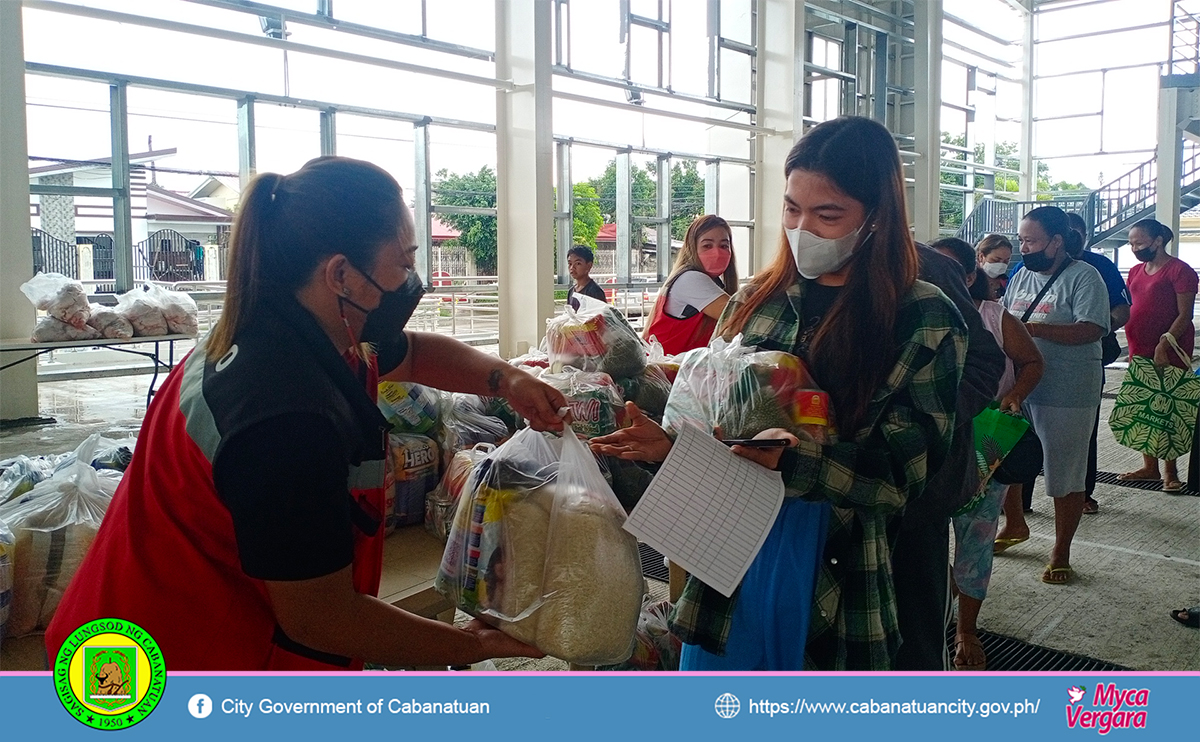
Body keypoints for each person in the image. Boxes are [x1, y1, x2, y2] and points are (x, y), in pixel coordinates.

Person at [45, 157, 570, 671]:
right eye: (405, 262)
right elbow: (321, 618)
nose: (414, 279)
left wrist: (509, 379)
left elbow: (411, 352)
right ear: (340, 273)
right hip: (174, 661)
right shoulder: (284, 417)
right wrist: (467, 648)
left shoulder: (298, 333)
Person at [592, 116, 967, 670]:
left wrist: (794, 460)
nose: (802, 229)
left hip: (839, 559)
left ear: (878, 216)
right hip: (728, 548)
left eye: (827, 214)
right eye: (792, 209)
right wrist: (670, 445)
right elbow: (716, 420)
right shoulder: (754, 301)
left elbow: (902, 474)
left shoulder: (922, 318)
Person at [931, 237, 1044, 670]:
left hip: (985, 445)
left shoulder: (996, 318)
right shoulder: (905, 315)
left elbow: (1033, 362)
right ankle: (930, 617)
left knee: (975, 540)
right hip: (927, 448)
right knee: (922, 541)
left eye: (950, 270)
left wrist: (1014, 395)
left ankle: (966, 629)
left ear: (971, 276)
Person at [996, 206, 1109, 585]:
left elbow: (1092, 329)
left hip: (1066, 389)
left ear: (1057, 242)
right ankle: (1015, 524)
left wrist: (1033, 329)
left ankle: (1061, 550)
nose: (1023, 247)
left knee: (1064, 471)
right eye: (1022, 239)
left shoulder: (1084, 276)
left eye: (1031, 240)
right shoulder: (1020, 276)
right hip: (1020, 384)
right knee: (1003, 456)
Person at [1116, 218, 1198, 493]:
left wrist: (1166, 342)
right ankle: (1149, 467)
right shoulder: (1137, 271)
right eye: (1131, 243)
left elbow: (1184, 314)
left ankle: (1170, 471)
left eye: (1139, 243)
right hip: (1139, 347)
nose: (1134, 248)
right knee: (1143, 408)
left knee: (1168, 409)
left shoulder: (1180, 271)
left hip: (1168, 350)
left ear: (1158, 241)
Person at [642, 215, 738, 355]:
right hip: (667, 373)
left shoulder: (713, 283)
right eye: (707, 246)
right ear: (692, 248)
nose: (717, 252)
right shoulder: (690, 279)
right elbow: (740, 316)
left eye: (724, 246)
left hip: (680, 372)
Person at [565, 245, 608, 310]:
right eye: (570, 264)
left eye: (578, 263)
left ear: (589, 266)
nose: (572, 268)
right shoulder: (571, 291)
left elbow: (602, 317)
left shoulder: (595, 291)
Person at [976, 233, 1014, 299]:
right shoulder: (970, 281)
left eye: (1006, 261)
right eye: (995, 260)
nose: (1001, 264)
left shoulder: (1007, 282)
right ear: (981, 257)